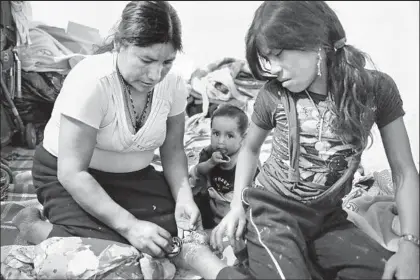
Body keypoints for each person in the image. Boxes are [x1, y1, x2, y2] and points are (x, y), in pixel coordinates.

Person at [206, 1, 419, 279]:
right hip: (273, 212)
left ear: (315, 42)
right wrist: (236, 207)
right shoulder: (274, 95)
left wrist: (410, 244)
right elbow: (250, 148)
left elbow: (403, 171)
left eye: (279, 54)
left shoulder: (376, 91)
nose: (275, 69)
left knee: (388, 273)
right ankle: (219, 266)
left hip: (327, 218)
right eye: (268, 59)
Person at [12, 1, 202, 259]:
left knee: (171, 231)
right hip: (70, 176)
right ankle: (33, 226)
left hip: (132, 177)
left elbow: (173, 151)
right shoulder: (92, 81)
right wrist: (131, 226)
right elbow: (72, 173)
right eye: (146, 60)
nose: (155, 74)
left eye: (167, 62)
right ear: (119, 45)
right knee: (111, 248)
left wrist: (183, 198)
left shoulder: (174, 83)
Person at [189, 104, 259, 230]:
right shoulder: (209, 152)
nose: (221, 141)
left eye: (229, 136)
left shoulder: (246, 160)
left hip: (235, 207)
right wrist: (211, 162)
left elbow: (251, 195)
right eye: (216, 133)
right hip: (212, 203)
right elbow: (198, 171)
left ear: (243, 138)